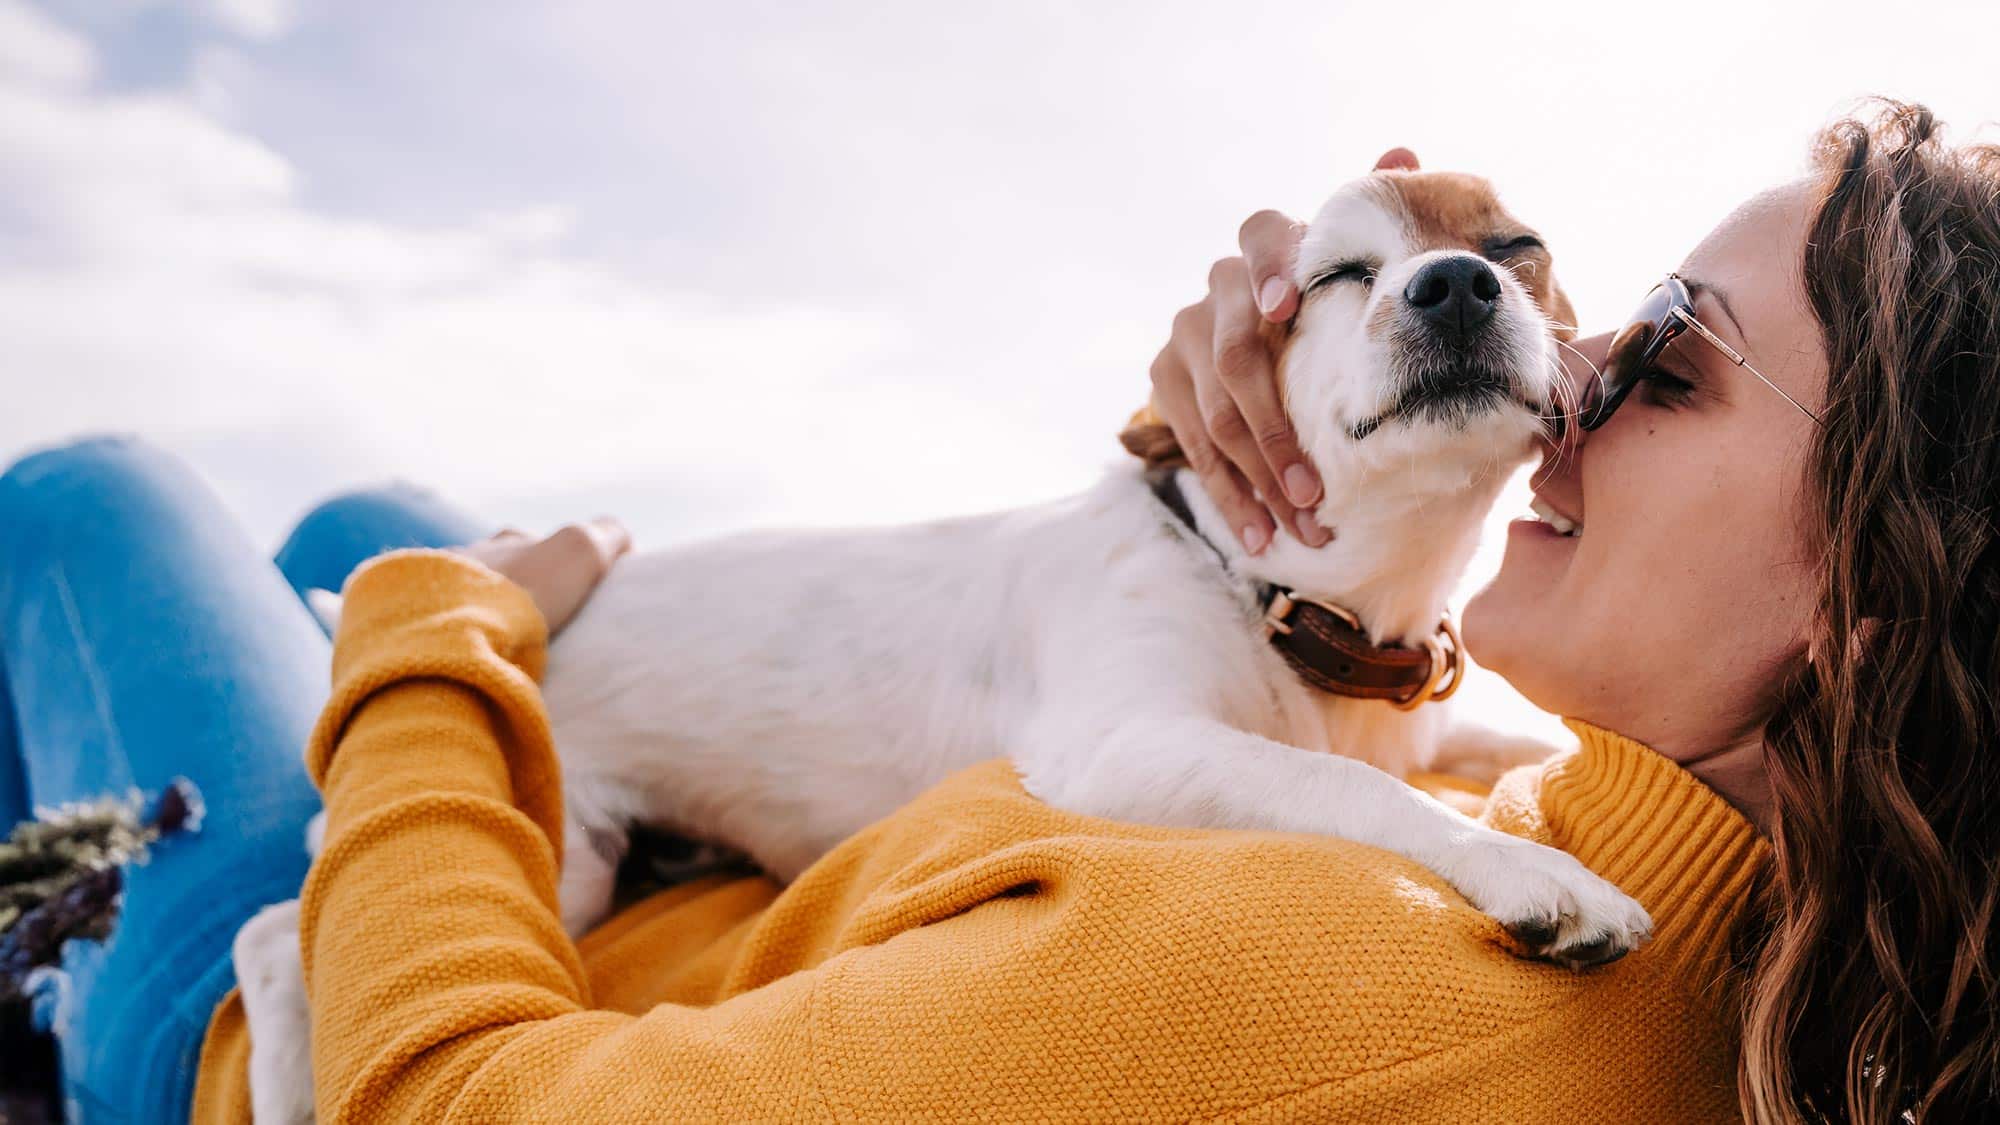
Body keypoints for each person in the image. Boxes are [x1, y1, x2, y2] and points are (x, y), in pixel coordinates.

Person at [0, 98, 1991, 1123]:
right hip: (663, 825)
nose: (1566, 372)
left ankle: (100, 985)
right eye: (1602, 314)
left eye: (1667, 365)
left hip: (362, 1006)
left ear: (1869, 611)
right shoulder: (1619, 853)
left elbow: (448, 1107)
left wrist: (435, 645)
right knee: (367, 503)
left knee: (100, 498)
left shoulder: (1343, 988)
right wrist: (1231, 445)